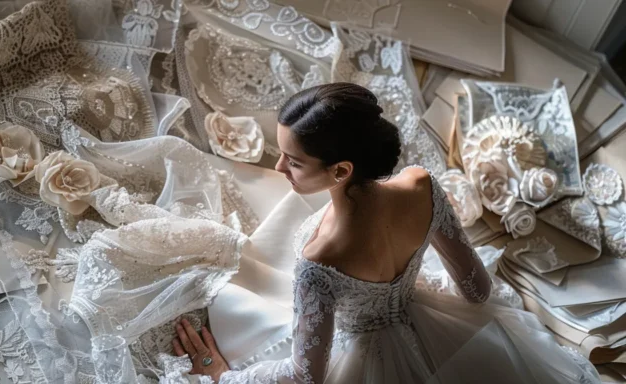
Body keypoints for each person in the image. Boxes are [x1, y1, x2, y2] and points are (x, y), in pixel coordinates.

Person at [173, 83, 601, 383]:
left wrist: (226, 377)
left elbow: (306, 377)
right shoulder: (422, 186)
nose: (280, 168)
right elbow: (476, 290)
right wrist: (405, 283)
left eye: (293, 161)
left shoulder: (319, 259)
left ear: (340, 170)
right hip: (438, 327)